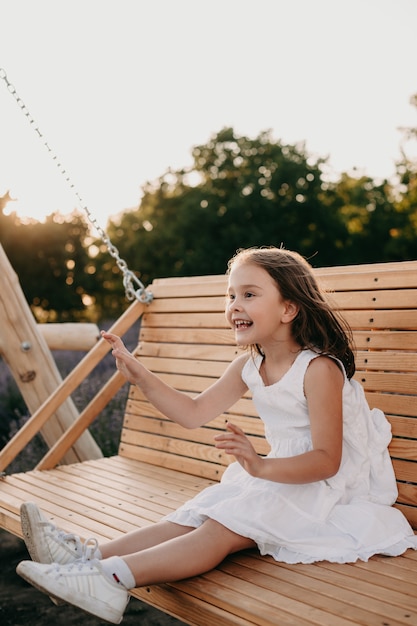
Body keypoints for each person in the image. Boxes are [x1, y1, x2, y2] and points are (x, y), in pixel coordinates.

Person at [16, 246, 417, 624]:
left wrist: (259, 465)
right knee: (192, 516)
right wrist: (140, 374)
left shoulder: (318, 369)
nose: (234, 306)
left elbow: (328, 460)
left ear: (289, 308)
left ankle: (110, 580)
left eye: (249, 294)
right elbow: (192, 413)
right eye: (231, 296)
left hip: (326, 487)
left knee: (219, 529)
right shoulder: (249, 365)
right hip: (276, 476)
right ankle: (84, 558)